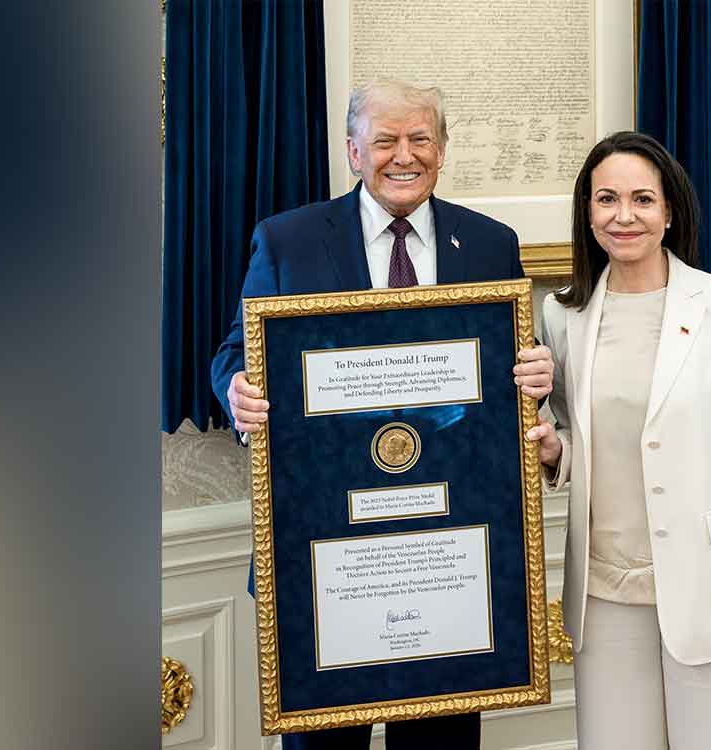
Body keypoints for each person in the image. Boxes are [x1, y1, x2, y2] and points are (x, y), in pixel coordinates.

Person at [210, 80, 554, 750]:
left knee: (441, 738)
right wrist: (238, 389)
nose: (405, 155)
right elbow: (235, 352)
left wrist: (534, 373)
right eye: (387, 139)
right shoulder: (288, 240)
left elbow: (503, 370)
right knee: (324, 740)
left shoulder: (488, 243)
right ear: (352, 150)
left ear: (442, 150)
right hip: (323, 541)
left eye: (421, 139)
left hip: (448, 540)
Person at [525, 131, 711, 749]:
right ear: (587, 212)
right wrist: (553, 451)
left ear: (669, 211)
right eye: (606, 200)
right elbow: (575, 434)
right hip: (604, 595)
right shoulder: (563, 316)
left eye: (642, 200)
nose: (624, 216)